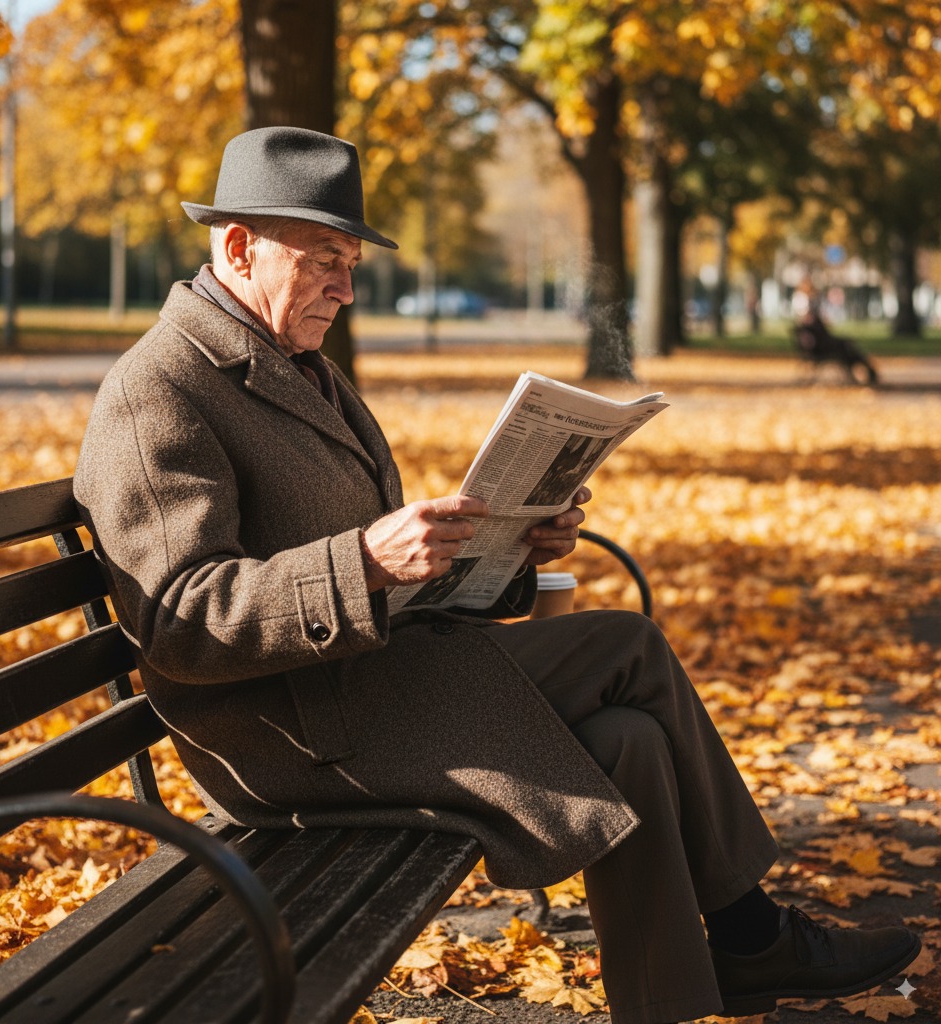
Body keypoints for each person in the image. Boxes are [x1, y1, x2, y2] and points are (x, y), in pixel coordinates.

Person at [73, 127, 919, 1024]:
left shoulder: (300, 367)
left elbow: (363, 571)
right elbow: (179, 620)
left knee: (628, 739)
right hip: (289, 737)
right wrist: (362, 562)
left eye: (351, 265)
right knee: (628, 645)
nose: (346, 289)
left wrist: (510, 549)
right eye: (324, 260)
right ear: (241, 247)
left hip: (368, 683)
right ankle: (754, 935)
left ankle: (671, 1001)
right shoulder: (158, 390)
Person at [796, 304, 879, 385]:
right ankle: (869, 371)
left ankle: (868, 370)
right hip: (827, 350)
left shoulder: (814, 325)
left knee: (849, 350)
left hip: (832, 347)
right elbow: (809, 344)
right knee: (847, 351)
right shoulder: (807, 329)